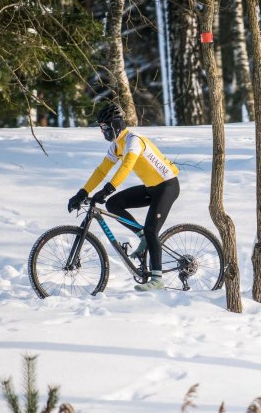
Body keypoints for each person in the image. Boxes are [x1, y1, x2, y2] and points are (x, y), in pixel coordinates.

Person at [67, 102, 180, 291]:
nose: (102, 132)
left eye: (104, 127)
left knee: (152, 229)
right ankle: (142, 237)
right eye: (101, 128)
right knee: (114, 204)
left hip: (167, 186)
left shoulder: (133, 140)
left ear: (115, 124)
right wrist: (82, 192)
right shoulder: (116, 145)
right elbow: (101, 170)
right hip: (151, 187)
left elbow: (126, 166)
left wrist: (107, 189)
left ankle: (157, 278)